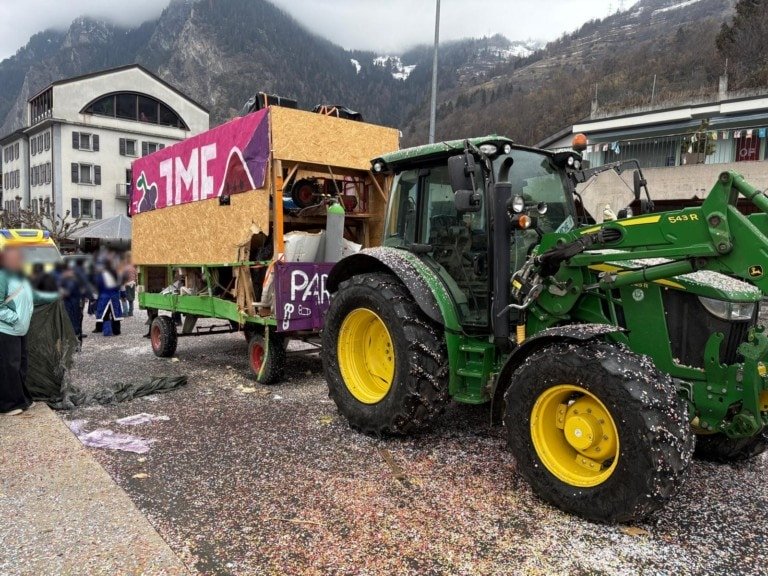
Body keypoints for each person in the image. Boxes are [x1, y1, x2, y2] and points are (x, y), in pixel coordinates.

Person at [0, 247, 59, 415]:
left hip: (19, 330)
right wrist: (15, 319)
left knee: (21, 365)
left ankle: (22, 399)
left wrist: (55, 296)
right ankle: (9, 404)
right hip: (6, 330)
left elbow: (32, 295)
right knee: (8, 367)